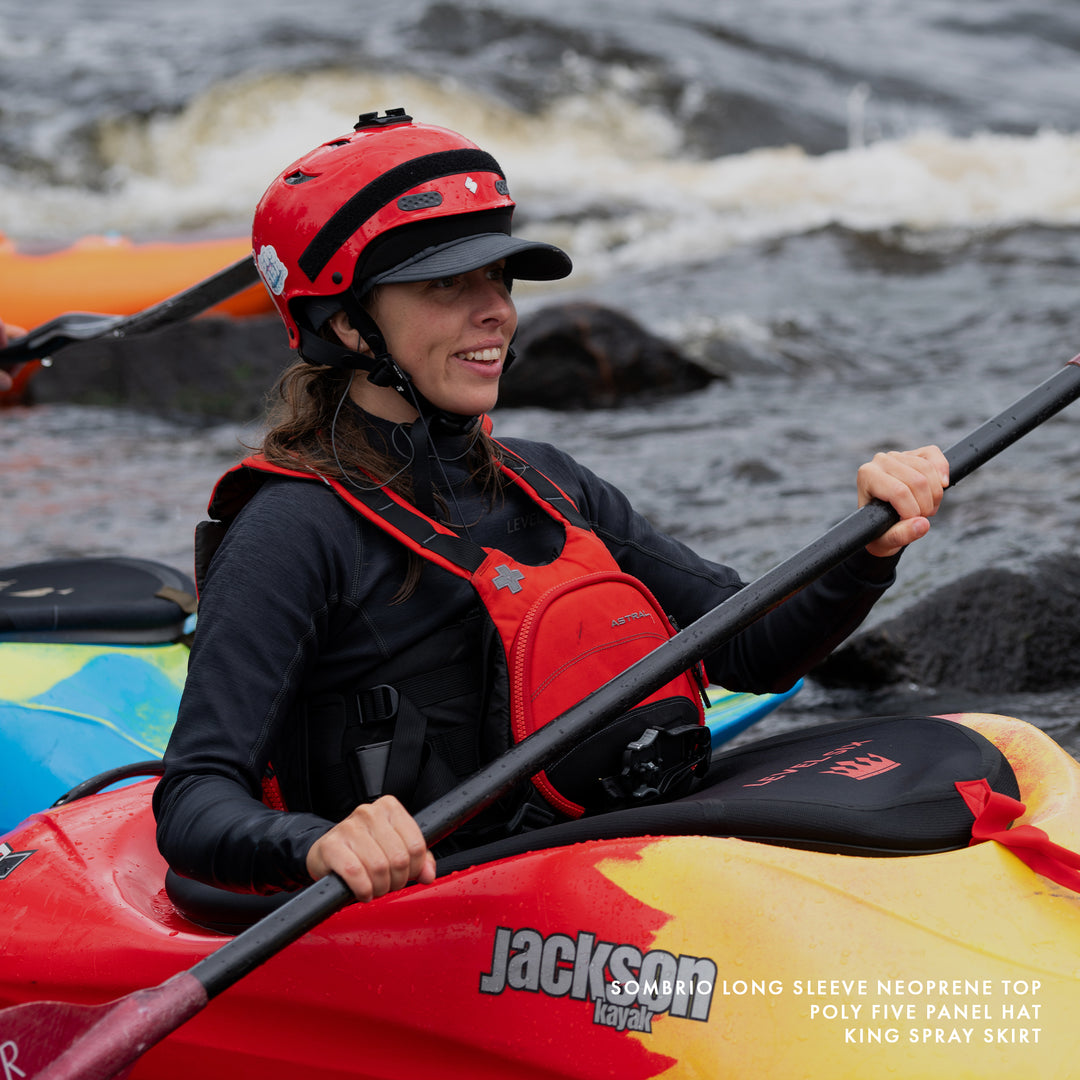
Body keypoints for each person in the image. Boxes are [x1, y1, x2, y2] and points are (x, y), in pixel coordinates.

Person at [153, 109, 948, 904]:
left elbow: (748, 650)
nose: (497, 310)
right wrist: (318, 844)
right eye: (445, 285)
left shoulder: (549, 483)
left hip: (577, 871)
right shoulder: (293, 530)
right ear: (350, 326)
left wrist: (869, 546)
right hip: (430, 913)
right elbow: (193, 800)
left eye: (497, 278)